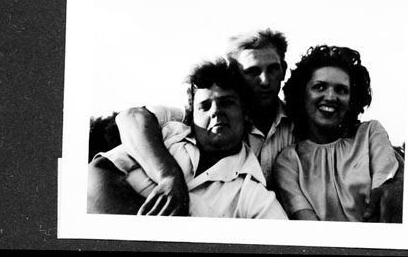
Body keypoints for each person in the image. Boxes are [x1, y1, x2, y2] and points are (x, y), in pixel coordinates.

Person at [111, 27, 296, 211]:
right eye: (253, 71)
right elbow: (131, 118)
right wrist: (169, 175)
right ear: (236, 75)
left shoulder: (300, 124)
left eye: (273, 69)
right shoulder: (199, 115)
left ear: (284, 70)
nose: (265, 80)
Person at [89, 59, 287, 218]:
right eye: (205, 106)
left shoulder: (252, 194)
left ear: (245, 112)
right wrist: (169, 176)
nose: (216, 111)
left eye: (227, 102)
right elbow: (95, 174)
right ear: (192, 115)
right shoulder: (166, 136)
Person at [273, 45, 402, 222]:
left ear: (351, 100)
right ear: (303, 94)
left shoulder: (371, 134)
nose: (331, 97)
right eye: (319, 87)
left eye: (341, 90)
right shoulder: (289, 161)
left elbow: (384, 199)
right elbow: (307, 225)